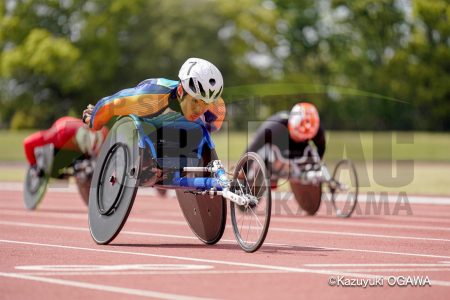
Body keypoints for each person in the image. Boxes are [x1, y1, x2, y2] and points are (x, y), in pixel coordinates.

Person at [82, 57, 225, 134]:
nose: (200, 109)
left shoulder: (216, 109)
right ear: (181, 91)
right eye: (195, 102)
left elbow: (206, 139)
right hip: (144, 119)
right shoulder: (149, 98)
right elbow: (109, 104)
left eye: (206, 103)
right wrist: (94, 123)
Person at [246, 102, 326, 188]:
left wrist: (316, 166)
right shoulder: (274, 126)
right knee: (263, 151)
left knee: (312, 154)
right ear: (291, 125)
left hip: (298, 152)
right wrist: (244, 170)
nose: (300, 139)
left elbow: (321, 148)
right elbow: (253, 146)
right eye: (298, 135)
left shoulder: (315, 129)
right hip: (275, 147)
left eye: (305, 137)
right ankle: (268, 172)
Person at [23, 116, 108, 176]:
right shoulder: (57, 134)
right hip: (62, 135)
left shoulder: (102, 131)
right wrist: (33, 165)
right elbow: (27, 142)